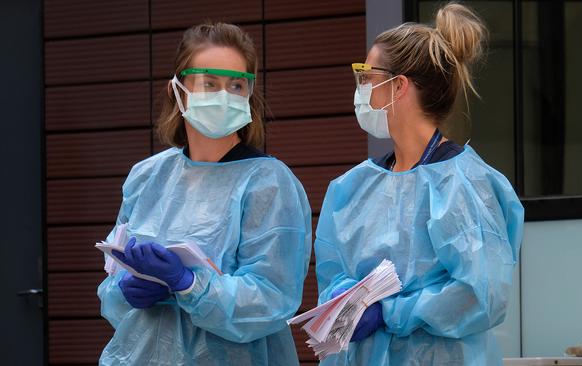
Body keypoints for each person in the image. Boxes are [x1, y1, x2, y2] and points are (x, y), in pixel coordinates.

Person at [314, 3, 524, 365]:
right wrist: (342, 299)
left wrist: (390, 312)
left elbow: (481, 295)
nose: (361, 88)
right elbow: (332, 276)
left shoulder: (463, 184)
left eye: (367, 75)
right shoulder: (352, 188)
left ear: (399, 86)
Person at [97, 22, 311, 365]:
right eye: (209, 83)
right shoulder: (147, 176)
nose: (223, 96)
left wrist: (187, 284)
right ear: (177, 90)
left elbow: (272, 299)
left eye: (236, 85)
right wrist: (123, 291)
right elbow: (112, 282)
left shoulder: (268, 183)